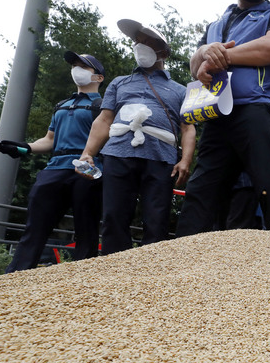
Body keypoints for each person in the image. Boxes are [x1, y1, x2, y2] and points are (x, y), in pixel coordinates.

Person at [176, 0, 270, 236]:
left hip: (257, 108)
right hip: (216, 113)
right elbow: (193, 66)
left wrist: (219, 57)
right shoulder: (215, 26)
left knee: (269, 183)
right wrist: (204, 51)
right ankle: (183, 257)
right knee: (201, 189)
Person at [77, 19, 196, 255]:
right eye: (138, 42)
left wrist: (185, 160)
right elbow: (104, 120)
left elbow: (188, 128)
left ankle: (150, 273)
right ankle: (113, 268)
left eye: (148, 43)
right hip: (118, 152)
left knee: (157, 218)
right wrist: (88, 152)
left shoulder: (181, 90)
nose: (140, 46)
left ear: (163, 51)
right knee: (113, 215)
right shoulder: (120, 83)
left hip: (161, 157)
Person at [4, 52, 105, 273]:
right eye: (74, 66)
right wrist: (24, 147)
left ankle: (83, 278)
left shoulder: (103, 106)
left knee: (86, 227)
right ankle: (16, 275)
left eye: (83, 67)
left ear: (98, 77)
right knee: (35, 225)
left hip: (87, 169)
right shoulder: (61, 105)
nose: (76, 70)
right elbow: (49, 140)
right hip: (55, 167)